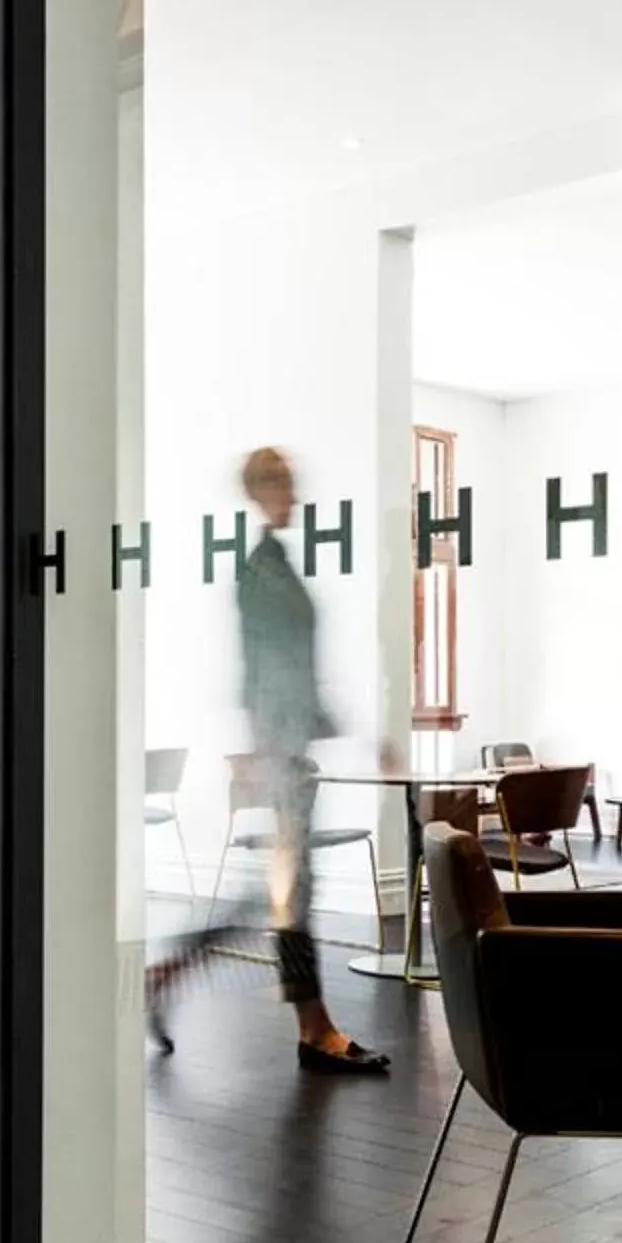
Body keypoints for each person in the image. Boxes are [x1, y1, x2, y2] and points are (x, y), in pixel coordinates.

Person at [233, 446, 390, 1076]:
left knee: (279, 893)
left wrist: (348, 732)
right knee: (289, 892)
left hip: (289, 747)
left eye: (292, 481)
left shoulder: (276, 564)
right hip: (281, 751)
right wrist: (271, 749)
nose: (293, 492)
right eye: (281, 482)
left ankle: (165, 975)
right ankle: (314, 1028)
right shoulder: (261, 572)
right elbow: (265, 670)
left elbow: (298, 670)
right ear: (258, 490)